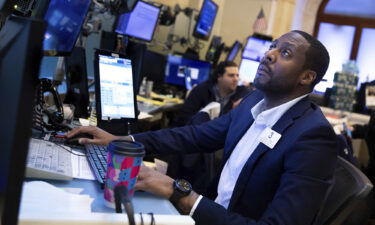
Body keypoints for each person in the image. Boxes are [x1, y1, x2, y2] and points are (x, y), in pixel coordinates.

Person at [68, 30, 338, 225]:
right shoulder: (254, 100)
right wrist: (122, 138)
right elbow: (194, 136)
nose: (269, 55)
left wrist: (184, 197)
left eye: (285, 53)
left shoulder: (312, 137)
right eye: (274, 47)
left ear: (307, 77)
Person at [173, 61, 251, 126]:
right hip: (197, 133)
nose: (236, 79)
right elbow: (185, 117)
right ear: (219, 76)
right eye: (231, 75)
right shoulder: (201, 90)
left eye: (237, 75)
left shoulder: (242, 94)